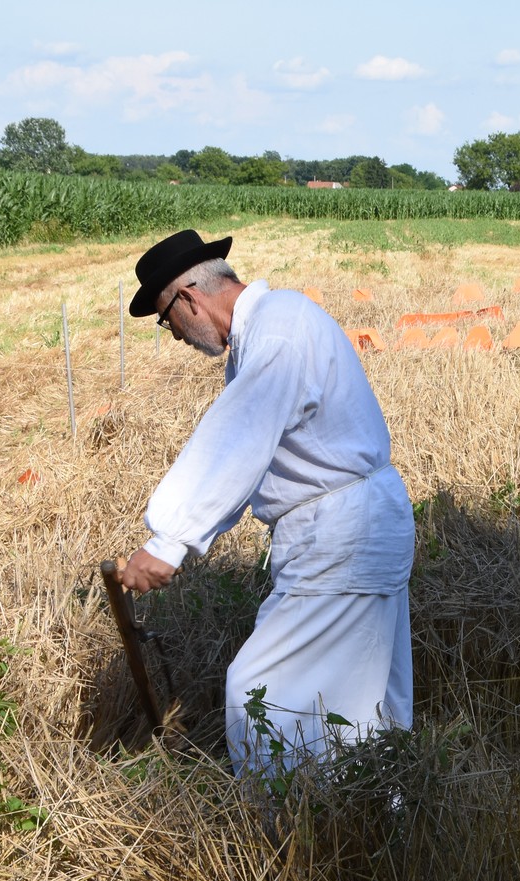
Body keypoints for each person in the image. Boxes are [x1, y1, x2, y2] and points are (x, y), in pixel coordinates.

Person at [118, 229, 415, 776]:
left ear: (189, 297)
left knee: (263, 690)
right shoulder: (272, 328)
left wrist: (169, 541)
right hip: (353, 527)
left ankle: (286, 835)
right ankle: (368, 827)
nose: (177, 337)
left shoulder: (278, 329)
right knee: (363, 701)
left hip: (342, 536)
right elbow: (256, 459)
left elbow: (239, 438)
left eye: (167, 321)